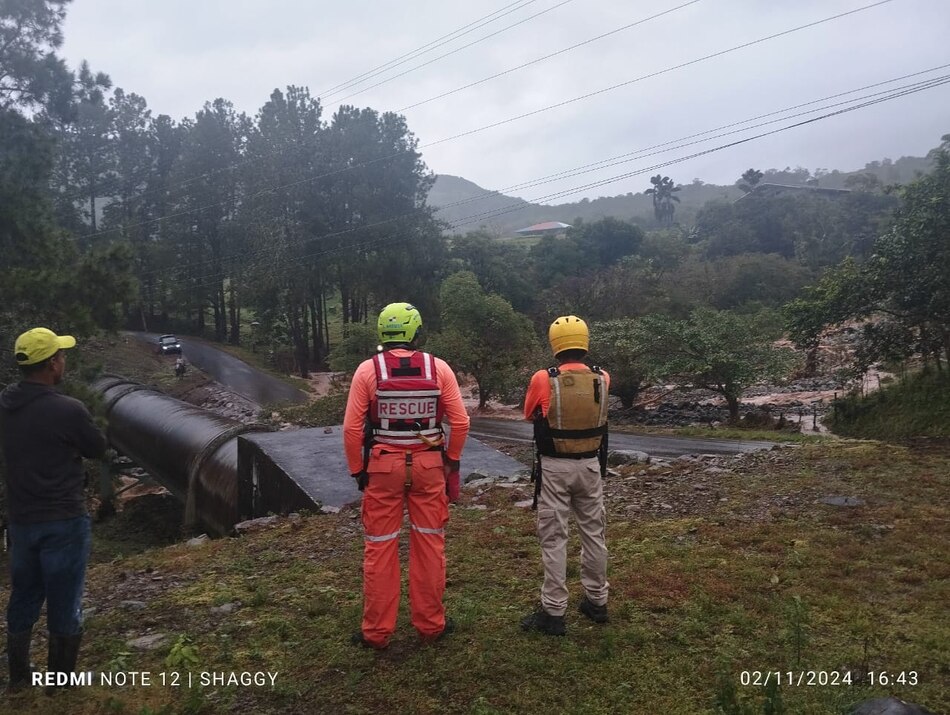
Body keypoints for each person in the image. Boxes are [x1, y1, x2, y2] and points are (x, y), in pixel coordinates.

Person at [343, 303, 469, 649]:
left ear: (382, 332)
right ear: (415, 331)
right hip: (429, 467)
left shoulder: (368, 371)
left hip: (383, 467)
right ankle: (431, 625)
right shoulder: (438, 368)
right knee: (429, 544)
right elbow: (460, 422)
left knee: (380, 547)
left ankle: (376, 632)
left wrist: (358, 470)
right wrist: (451, 461)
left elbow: (353, 429)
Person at [1, 328, 106, 691]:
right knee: (64, 597)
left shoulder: (5, 403)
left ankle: (18, 678)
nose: (64, 360)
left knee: (24, 594)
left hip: (22, 520)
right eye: (61, 356)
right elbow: (97, 447)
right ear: (51, 364)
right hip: (63, 519)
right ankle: (61, 683)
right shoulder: (67, 409)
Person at [521, 315, 610, 636]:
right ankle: (597, 601)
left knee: (554, 538)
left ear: (555, 344)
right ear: (583, 341)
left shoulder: (544, 379)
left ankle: (554, 611)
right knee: (594, 534)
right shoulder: (603, 377)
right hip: (590, 467)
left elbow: (529, 412)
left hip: (555, 468)